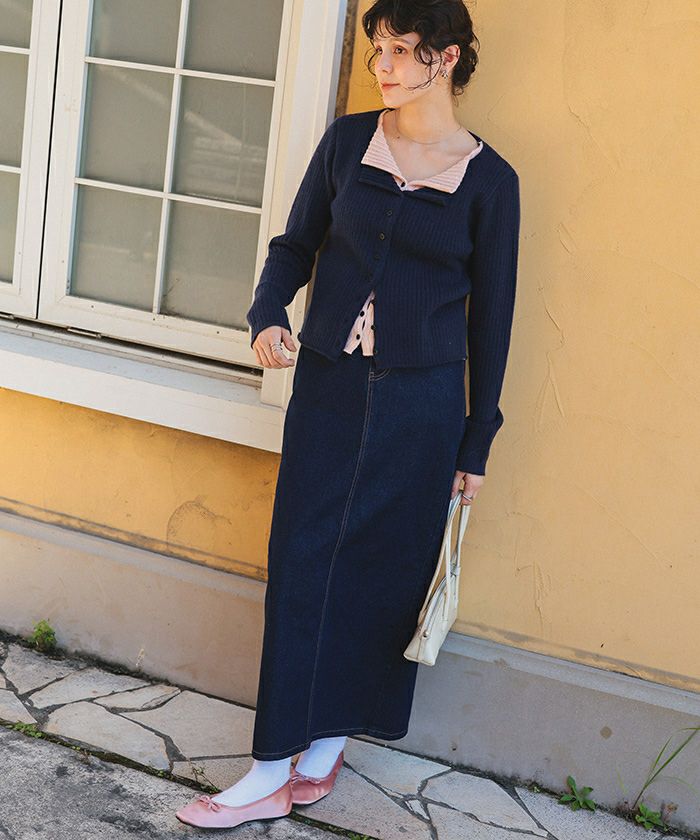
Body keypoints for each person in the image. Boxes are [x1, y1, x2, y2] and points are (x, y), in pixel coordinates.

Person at [176, 0, 520, 830]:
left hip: (422, 408)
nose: (383, 67)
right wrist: (268, 313)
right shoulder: (347, 145)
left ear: (446, 58)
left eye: (401, 50)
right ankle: (270, 767)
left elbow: (492, 322)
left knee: (384, 574)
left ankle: (326, 745)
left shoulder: (491, 182)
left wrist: (476, 442)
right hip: (330, 386)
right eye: (378, 49)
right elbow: (295, 246)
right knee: (302, 563)